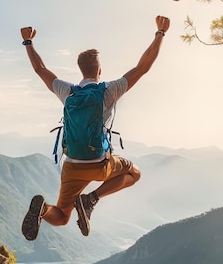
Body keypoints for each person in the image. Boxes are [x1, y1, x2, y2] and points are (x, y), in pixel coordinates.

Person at [20, 15, 170, 240]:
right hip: (100, 164)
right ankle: (91, 199)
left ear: (80, 70)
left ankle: (43, 210)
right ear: (99, 71)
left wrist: (28, 43)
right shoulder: (109, 90)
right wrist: (160, 33)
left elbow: (40, 69)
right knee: (134, 173)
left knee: (61, 216)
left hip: (71, 165)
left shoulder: (67, 91)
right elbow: (143, 67)